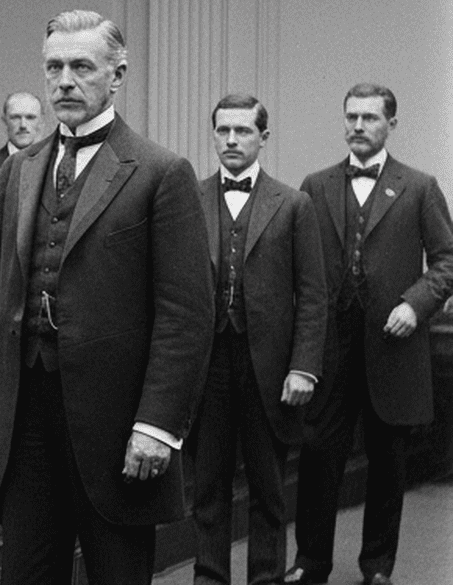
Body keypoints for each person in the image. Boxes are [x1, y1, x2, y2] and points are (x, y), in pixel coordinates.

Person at [0, 9, 214, 585]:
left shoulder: (161, 172)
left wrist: (158, 425)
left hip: (117, 430)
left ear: (117, 75)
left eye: (81, 66)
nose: (65, 80)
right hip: (26, 419)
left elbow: (186, 317)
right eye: (54, 67)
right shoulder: (19, 172)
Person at [286, 84, 453, 585]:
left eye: (370, 118)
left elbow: (447, 262)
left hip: (393, 348)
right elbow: (301, 266)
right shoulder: (315, 185)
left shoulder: (419, 186)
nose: (358, 126)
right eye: (351, 117)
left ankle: (378, 566)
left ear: (390, 125)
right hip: (330, 350)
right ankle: (309, 562)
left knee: (388, 466)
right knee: (317, 461)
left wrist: (414, 303)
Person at [189, 94, 327, 585]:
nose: (231, 140)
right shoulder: (190, 197)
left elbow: (313, 294)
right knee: (207, 486)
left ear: (263, 137)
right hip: (207, 367)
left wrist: (303, 366)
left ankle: (265, 578)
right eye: (223, 130)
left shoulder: (293, 204)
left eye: (243, 131)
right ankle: (209, 577)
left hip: (269, 369)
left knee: (267, 489)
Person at [0, 91, 43, 174]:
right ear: (4, 120)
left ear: (41, 121)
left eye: (30, 118)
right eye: (15, 118)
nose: (23, 125)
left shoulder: (55, 164)